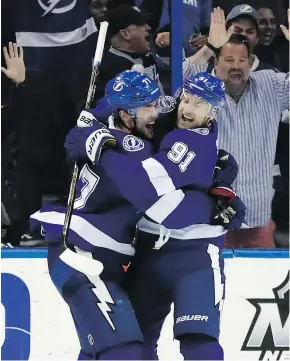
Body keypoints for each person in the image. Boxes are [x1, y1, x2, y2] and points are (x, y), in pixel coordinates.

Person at [31, 71, 233, 360]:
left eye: (157, 104)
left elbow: (96, 118)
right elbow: (164, 204)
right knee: (123, 351)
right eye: (148, 108)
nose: (160, 112)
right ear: (125, 115)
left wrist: (91, 118)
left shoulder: (105, 129)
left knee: (98, 350)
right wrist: (212, 208)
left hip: (107, 255)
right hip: (83, 253)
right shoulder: (132, 146)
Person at [183, 7, 289, 248]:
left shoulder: (270, 85)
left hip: (257, 219)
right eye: (229, 60)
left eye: (242, 60)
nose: (236, 66)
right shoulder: (202, 91)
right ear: (216, 63)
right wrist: (209, 46)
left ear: (251, 63)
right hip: (211, 219)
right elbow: (179, 82)